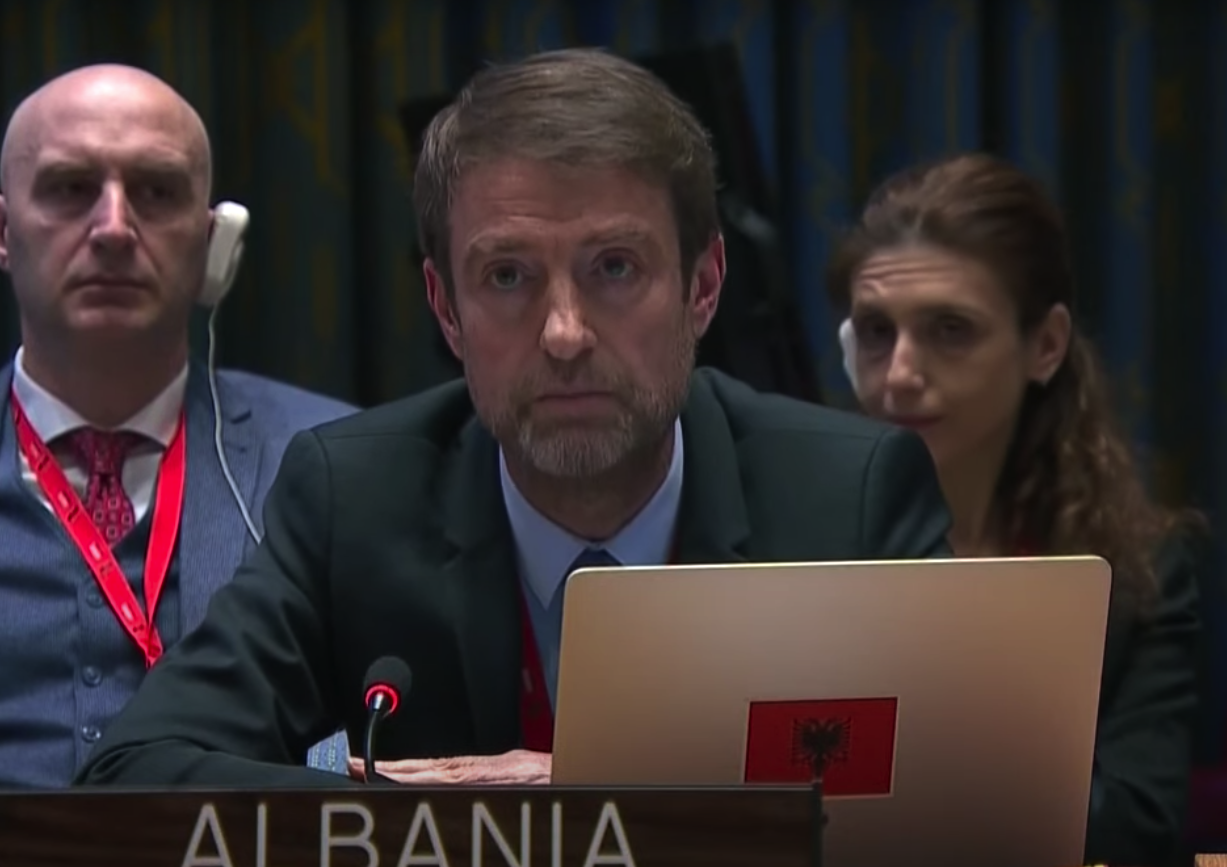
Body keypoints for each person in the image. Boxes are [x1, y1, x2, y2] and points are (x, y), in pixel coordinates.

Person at [73, 47, 951, 790]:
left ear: (703, 286)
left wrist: (597, 790)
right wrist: (428, 824)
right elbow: (132, 776)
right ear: (445, 309)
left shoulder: (846, 498)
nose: (565, 334)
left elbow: (978, 794)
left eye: (614, 267)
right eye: (506, 277)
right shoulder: (355, 501)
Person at [827, 151, 1202, 867]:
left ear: (1046, 345)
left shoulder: (1136, 570)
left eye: (950, 330)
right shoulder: (787, 530)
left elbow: (1134, 830)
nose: (899, 374)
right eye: (875, 332)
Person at [0, 64, 356, 786]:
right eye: (70, 188)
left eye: (157, 192)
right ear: (5, 233)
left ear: (214, 245)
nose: (113, 229)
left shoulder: (336, 463)